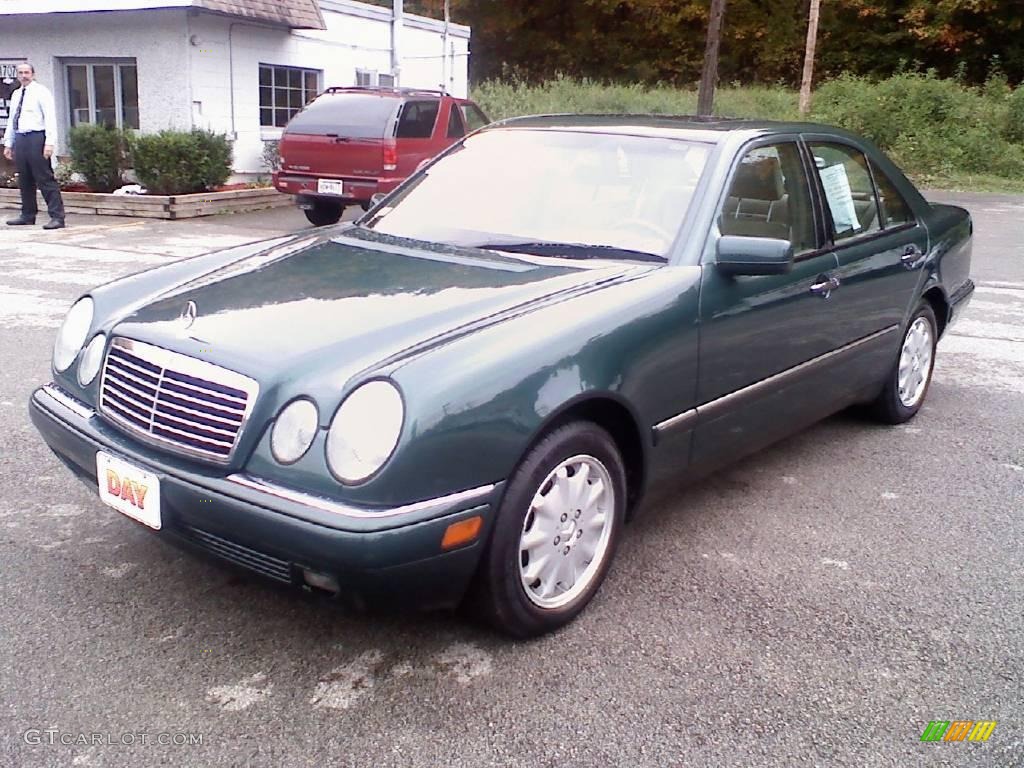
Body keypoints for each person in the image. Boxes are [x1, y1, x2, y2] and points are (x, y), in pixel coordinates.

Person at [3, 62, 65, 230]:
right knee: (24, 178)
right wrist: (8, 143)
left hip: (37, 137)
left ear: (33, 74)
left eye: (27, 72)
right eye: (21, 73)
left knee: (44, 177)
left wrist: (49, 143)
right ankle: (27, 214)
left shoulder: (41, 92)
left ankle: (57, 217)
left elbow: (50, 118)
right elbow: (12, 120)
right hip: (21, 137)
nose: (24, 75)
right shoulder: (16, 94)